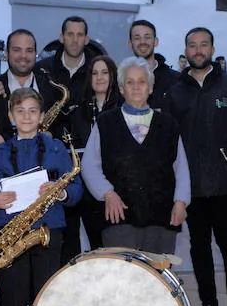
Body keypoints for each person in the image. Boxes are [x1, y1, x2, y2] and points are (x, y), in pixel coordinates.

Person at [0, 88, 84, 306]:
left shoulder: (56, 151)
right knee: (13, 301)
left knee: (45, 299)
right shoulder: (0, 152)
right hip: (12, 235)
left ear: (42, 117)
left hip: (47, 233)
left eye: (32, 111)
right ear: (11, 117)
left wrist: (60, 190)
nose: (26, 116)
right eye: (20, 111)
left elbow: (75, 191)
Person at [162, 27, 227, 306]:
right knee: (199, 248)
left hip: (226, 184)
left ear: (212, 48)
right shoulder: (174, 93)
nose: (198, 50)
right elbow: (169, 142)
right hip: (192, 186)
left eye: (203, 45)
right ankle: (209, 305)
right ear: (185, 50)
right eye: (192, 45)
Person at [81, 57, 190, 254]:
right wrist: (107, 193)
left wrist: (181, 201)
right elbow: (89, 166)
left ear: (151, 87)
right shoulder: (105, 123)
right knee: (123, 280)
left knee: (158, 280)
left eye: (142, 81)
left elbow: (181, 167)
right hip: (118, 215)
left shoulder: (168, 124)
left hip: (162, 217)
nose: (136, 87)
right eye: (130, 82)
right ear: (121, 89)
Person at [36, 16, 105, 263]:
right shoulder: (44, 69)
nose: (75, 40)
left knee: (99, 235)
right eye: (70, 34)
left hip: (91, 159)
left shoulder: (97, 70)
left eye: (80, 35)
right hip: (56, 161)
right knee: (66, 237)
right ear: (61, 37)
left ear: (86, 39)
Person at [70, 55, 123, 250]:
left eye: (104, 72)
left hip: (119, 191)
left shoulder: (124, 108)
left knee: (118, 248)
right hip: (88, 194)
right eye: (94, 73)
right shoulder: (78, 112)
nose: (99, 77)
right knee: (96, 248)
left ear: (113, 76)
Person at [0, 29, 61, 141]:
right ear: (6, 53)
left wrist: (51, 135)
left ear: (35, 54)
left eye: (29, 50)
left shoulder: (52, 87)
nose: (23, 56)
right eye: (17, 50)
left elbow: (62, 127)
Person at [128, 19, 179, 107]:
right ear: (130, 44)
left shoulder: (175, 80)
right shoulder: (121, 80)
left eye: (147, 37)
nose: (142, 42)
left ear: (156, 42)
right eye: (137, 38)